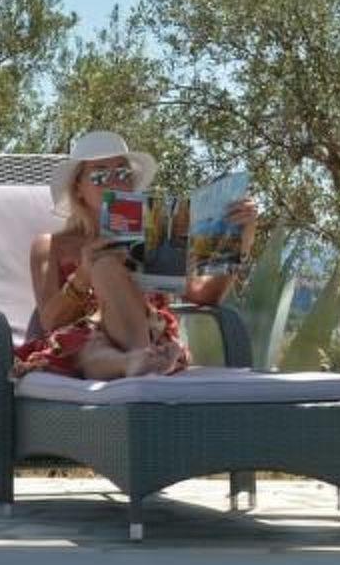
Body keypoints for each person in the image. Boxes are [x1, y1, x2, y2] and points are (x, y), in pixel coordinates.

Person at [14, 130, 258, 381]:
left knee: (105, 266)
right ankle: (138, 361)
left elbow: (206, 295)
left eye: (123, 173)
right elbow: (50, 320)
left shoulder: (157, 234)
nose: (114, 182)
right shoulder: (52, 246)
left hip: (151, 333)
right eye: (99, 175)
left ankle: (139, 360)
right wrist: (84, 275)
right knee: (91, 339)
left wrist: (241, 240)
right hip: (86, 345)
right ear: (78, 189)